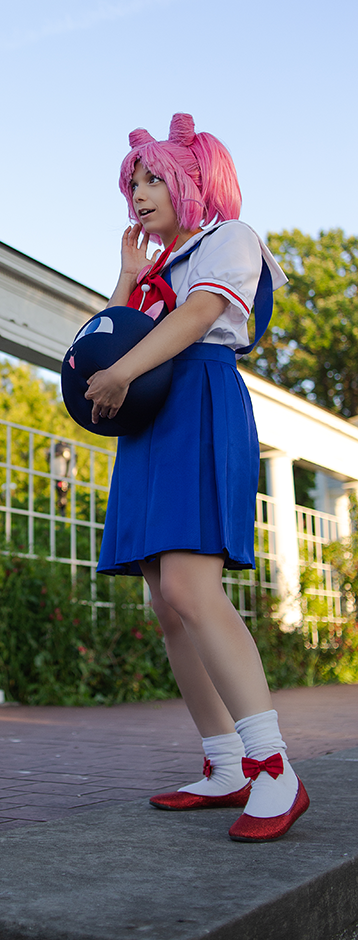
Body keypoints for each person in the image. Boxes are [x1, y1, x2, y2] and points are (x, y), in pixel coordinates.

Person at [86, 113, 308, 843]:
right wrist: (127, 277)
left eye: (155, 179)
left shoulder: (229, 238)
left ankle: (273, 767)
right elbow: (111, 337)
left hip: (199, 401)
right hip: (152, 417)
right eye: (134, 183)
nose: (140, 194)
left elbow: (204, 313)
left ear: (194, 181)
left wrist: (123, 370)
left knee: (190, 587)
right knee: (167, 602)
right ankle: (225, 763)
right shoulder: (158, 268)